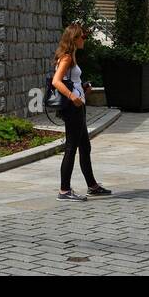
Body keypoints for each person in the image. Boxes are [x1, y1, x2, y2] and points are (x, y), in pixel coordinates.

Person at [52, 22, 110, 202]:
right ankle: (64, 190)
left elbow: (71, 81)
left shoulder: (71, 57)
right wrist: (72, 96)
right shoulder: (67, 57)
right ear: (74, 38)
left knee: (85, 146)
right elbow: (56, 81)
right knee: (71, 148)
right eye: (83, 37)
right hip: (73, 108)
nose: (85, 39)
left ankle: (92, 186)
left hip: (78, 106)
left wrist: (82, 89)